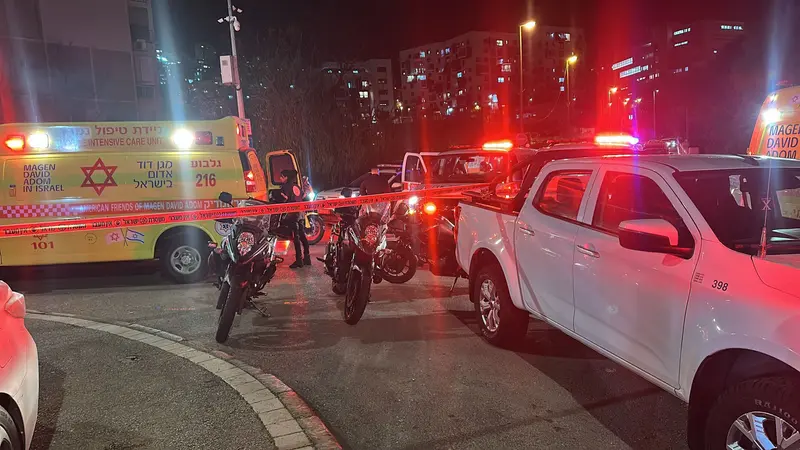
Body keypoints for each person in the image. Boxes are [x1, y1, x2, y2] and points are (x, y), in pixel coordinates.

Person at [278, 169, 310, 268]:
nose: (280, 178)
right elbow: (302, 196)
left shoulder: (285, 187)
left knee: (296, 237)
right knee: (302, 235)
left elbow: (284, 199)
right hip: (300, 213)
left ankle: (299, 260)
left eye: (281, 176)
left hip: (292, 214)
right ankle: (307, 258)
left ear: (286, 177)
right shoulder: (297, 186)